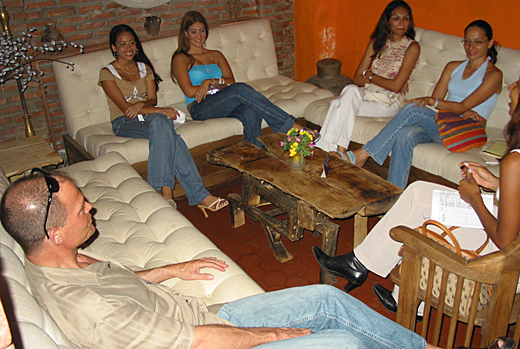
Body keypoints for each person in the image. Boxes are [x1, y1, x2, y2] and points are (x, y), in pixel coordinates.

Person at [1, 171, 514, 349]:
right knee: (343, 341)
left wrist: (172, 270)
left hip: (202, 319)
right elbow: (195, 343)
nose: (91, 205)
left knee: (322, 298)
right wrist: (273, 336)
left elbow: (121, 282)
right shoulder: (88, 309)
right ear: (52, 230)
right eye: (79, 206)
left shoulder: (61, 260)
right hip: (207, 340)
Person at [312, 76, 520, 316]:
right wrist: (495, 183)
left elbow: (506, 242)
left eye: (517, 84)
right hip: (505, 226)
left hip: (507, 257)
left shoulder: (514, 160)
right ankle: (371, 273)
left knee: (426, 223)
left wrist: (474, 198)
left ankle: (386, 284)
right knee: (419, 191)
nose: (511, 87)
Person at [346, 19, 502, 189]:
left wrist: (450, 108)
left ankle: (364, 153)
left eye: (478, 42)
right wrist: (449, 108)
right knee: (407, 134)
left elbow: (461, 105)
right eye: (467, 41)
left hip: (467, 131)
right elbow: (436, 104)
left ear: (490, 43)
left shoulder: (493, 75)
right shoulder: (453, 67)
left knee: (413, 109)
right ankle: (394, 197)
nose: (471, 47)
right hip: (445, 123)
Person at [99, 24, 227, 216]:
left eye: (132, 43)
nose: (128, 48)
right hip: (124, 122)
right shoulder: (107, 73)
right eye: (122, 44)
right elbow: (126, 110)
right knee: (163, 124)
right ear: (114, 48)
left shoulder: (144, 68)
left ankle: (164, 193)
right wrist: (155, 110)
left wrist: (143, 106)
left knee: (163, 126)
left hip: (149, 117)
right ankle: (191, 194)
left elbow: (152, 99)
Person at [171, 11, 315, 149]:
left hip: (224, 101)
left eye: (202, 30)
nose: (199, 36)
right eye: (193, 31)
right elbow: (190, 92)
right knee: (240, 89)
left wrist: (209, 82)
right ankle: (293, 127)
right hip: (200, 107)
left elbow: (230, 81)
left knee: (250, 111)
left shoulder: (215, 55)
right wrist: (213, 84)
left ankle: (255, 161)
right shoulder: (181, 58)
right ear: (186, 33)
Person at [315, 0, 420, 162]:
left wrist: (370, 76)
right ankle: (337, 153)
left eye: (406, 18)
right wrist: (370, 78)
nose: (402, 23)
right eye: (396, 18)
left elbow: (396, 86)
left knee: (338, 104)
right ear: (388, 20)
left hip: (388, 103)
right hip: (367, 94)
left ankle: (329, 152)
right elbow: (357, 78)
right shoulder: (376, 43)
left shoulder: (412, 47)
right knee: (349, 91)